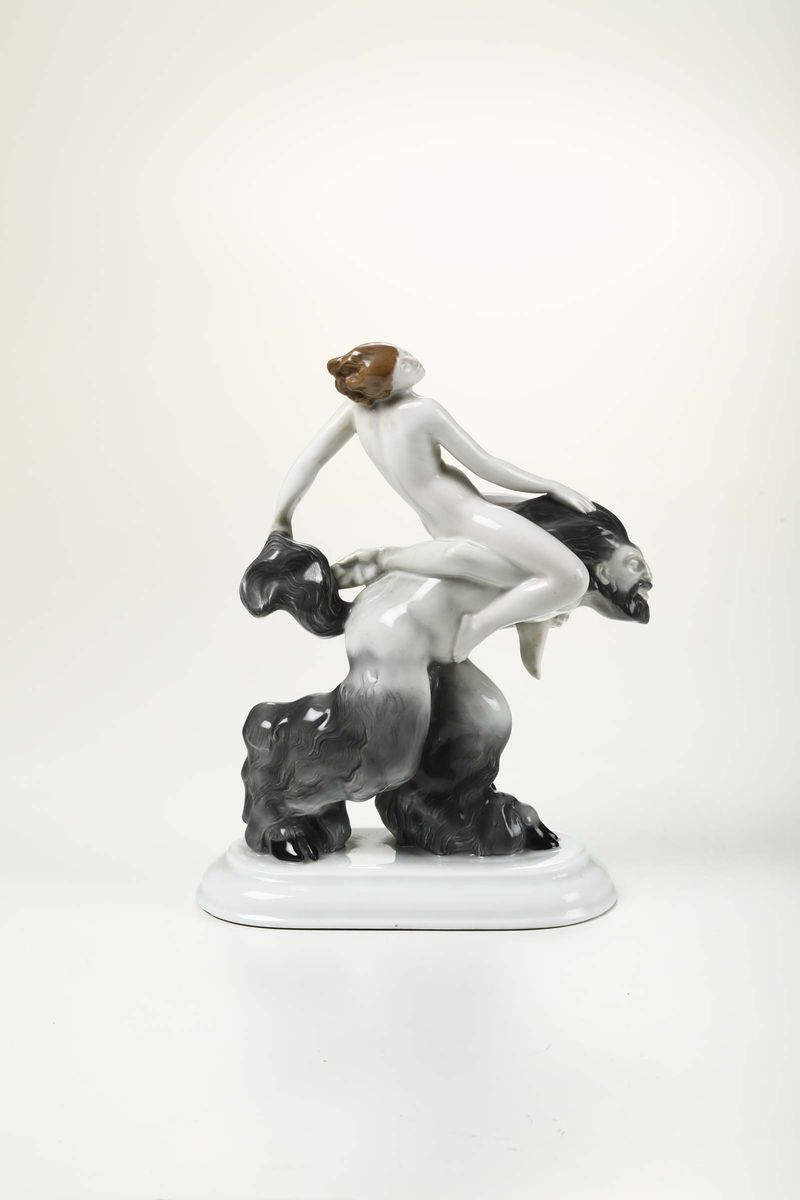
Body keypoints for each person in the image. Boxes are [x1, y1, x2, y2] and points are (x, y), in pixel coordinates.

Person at [271, 342, 595, 662]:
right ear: (386, 384)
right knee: (572, 580)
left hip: (442, 522)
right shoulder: (422, 410)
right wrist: (550, 485)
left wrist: (281, 519)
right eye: (404, 364)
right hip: (472, 517)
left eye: (407, 354)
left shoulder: (355, 413)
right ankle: (479, 623)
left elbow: (310, 461)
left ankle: (526, 610)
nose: (414, 360)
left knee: (530, 565)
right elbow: (485, 464)